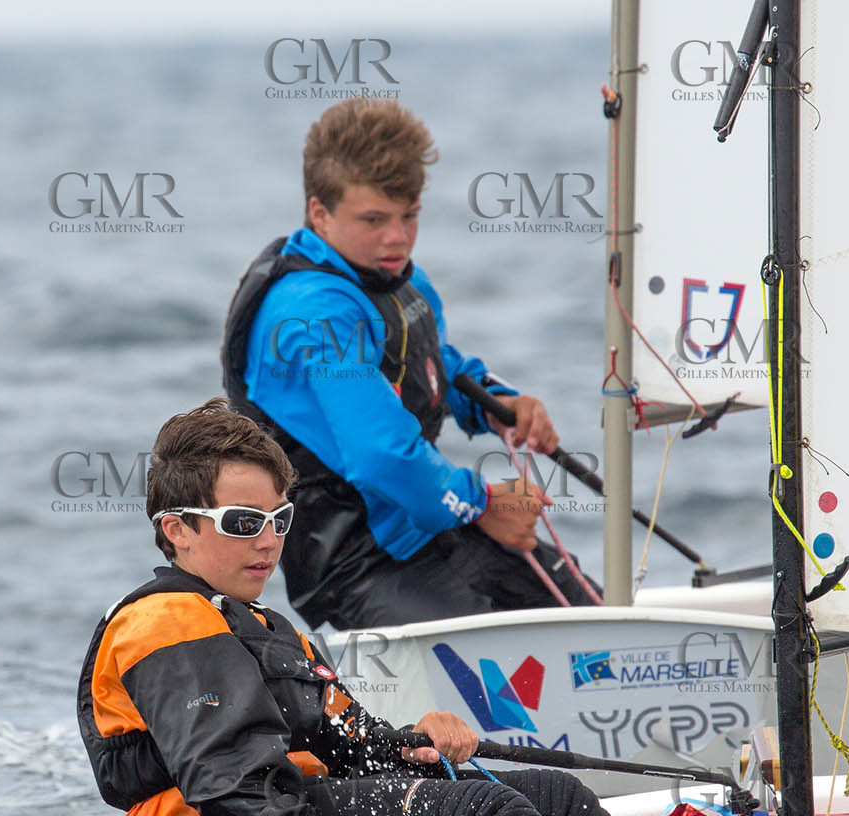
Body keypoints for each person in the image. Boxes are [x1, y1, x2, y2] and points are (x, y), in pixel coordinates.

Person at [75, 399, 656, 816]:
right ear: (176, 530)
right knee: (493, 812)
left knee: (557, 796)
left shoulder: (268, 628)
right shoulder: (165, 620)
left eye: (280, 520)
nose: (269, 542)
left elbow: (351, 745)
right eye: (243, 523)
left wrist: (413, 742)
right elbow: (223, 780)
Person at [219, 98, 596, 631]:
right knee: (499, 682)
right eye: (373, 220)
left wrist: (494, 400)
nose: (397, 237)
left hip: (435, 525)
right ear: (319, 213)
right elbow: (381, 456)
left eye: (409, 216)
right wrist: (484, 502)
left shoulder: (395, 279)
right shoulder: (311, 312)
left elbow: (431, 364)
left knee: (591, 618)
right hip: (359, 563)